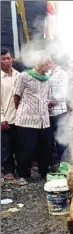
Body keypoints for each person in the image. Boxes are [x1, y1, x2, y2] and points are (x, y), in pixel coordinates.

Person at [13, 51, 54, 185]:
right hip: (27, 120)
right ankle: (23, 175)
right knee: (26, 148)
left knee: (46, 146)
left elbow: (48, 97)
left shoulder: (47, 79)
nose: (49, 65)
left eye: (50, 62)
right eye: (47, 63)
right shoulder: (24, 76)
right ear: (39, 63)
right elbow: (16, 96)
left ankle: (44, 172)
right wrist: (22, 110)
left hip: (44, 120)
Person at [1, 48, 19, 180]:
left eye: (8, 58)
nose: (7, 61)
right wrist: (2, 118)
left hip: (19, 118)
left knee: (19, 145)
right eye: (3, 59)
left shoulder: (18, 75)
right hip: (5, 118)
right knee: (5, 146)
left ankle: (19, 169)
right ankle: (7, 170)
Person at [49, 55, 69, 167]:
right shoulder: (45, 73)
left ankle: (63, 165)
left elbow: (63, 93)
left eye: (48, 62)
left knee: (62, 140)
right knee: (49, 141)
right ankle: (52, 165)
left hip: (59, 112)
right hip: (47, 114)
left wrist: (51, 102)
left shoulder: (62, 73)